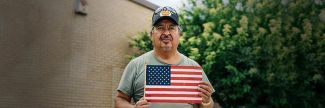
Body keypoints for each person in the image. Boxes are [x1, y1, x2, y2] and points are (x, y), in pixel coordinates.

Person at [115, 6, 215, 108]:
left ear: (179, 34)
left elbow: (209, 103)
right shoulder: (135, 65)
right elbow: (120, 99)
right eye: (160, 27)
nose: (166, 33)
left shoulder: (193, 67)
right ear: (151, 34)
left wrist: (206, 102)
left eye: (171, 28)